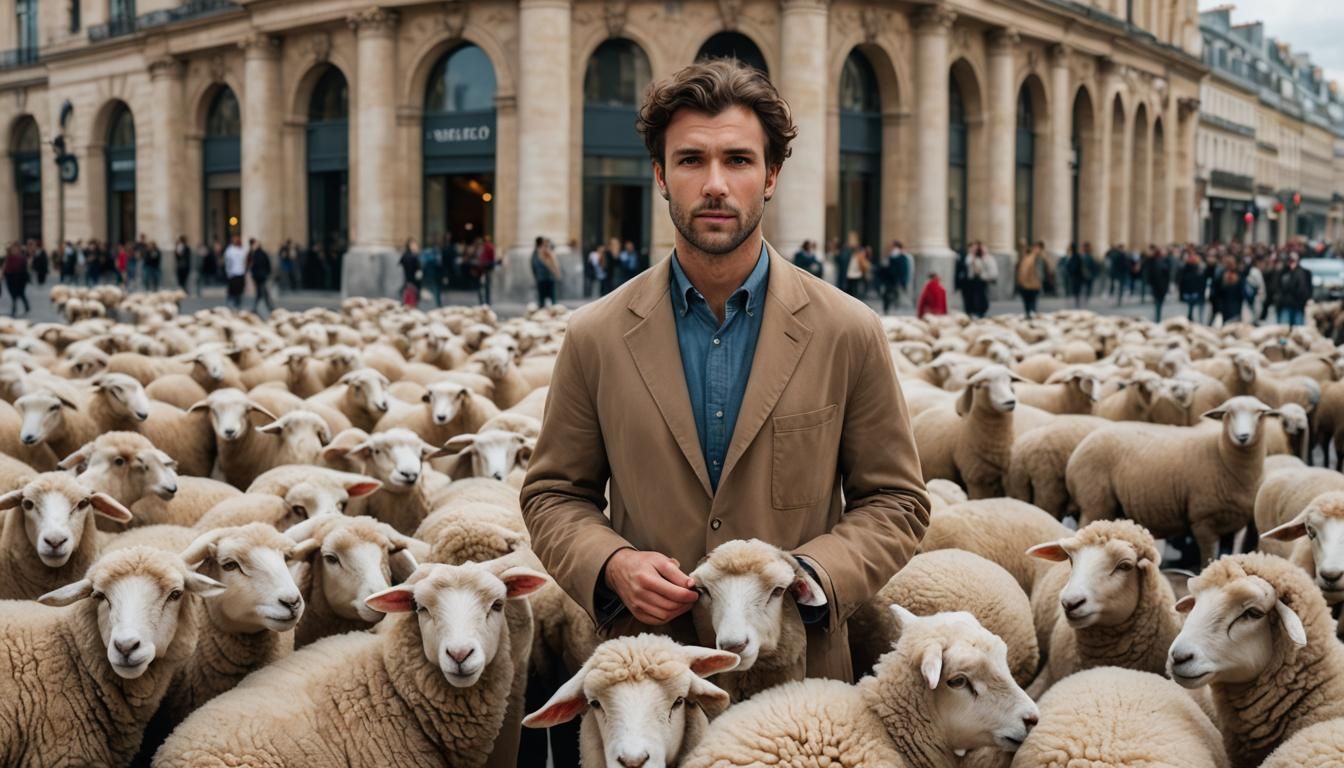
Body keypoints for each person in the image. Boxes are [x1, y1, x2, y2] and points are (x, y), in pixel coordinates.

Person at [521, 59, 930, 684]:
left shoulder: (847, 329)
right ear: (660, 175)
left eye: (737, 160)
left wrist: (813, 575)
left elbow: (896, 499)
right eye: (691, 160)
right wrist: (612, 564)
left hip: (798, 687)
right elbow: (555, 494)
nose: (715, 184)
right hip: (652, 687)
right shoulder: (595, 336)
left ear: (770, 176)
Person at [1277, 253, 1312, 327]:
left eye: (1294, 260)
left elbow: (1306, 288)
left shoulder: (1304, 273)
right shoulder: (1283, 272)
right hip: (1285, 304)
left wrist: (1307, 299)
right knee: (1284, 328)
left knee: (1298, 329)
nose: (1292, 262)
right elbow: (1279, 287)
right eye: (1290, 260)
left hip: (1299, 305)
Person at [965, 241, 996, 318]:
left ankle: (981, 311)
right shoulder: (972, 257)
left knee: (982, 296)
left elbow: (990, 268)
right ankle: (975, 311)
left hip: (983, 279)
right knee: (974, 297)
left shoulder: (987, 258)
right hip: (974, 280)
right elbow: (968, 263)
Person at [1015, 242, 1045, 318]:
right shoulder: (1028, 257)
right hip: (1027, 284)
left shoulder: (1036, 258)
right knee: (1028, 303)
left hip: (1032, 285)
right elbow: (1022, 271)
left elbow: (1039, 273)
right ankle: (1029, 316)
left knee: (1031, 304)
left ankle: (1030, 316)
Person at [531, 236, 560, 307]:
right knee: (542, 300)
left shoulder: (549, 254)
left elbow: (555, 266)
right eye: (545, 245)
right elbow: (534, 266)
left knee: (552, 300)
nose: (546, 247)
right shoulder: (537, 254)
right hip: (542, 279)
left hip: (549, 279)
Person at [1178, 249, 1205, 322]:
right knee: (1189, 309)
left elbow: (1200, 282)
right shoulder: (1185, 268)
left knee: (1193, 308)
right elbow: (1182, 281)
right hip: (1188, 291)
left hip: (1195, 292)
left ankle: (1191, 319)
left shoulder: (1199, 268)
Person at [249, 240, 274, 315]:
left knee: (262, 292)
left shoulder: (255, 255)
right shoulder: (263, 254)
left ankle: (265, 307)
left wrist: (253, 275)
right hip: (262, 276)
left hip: (259, 276)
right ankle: (266, 307)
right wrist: (267, 273)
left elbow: (254, 266)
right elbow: (268, 265)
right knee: (261, 292)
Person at [1147, 247, 1172, 323]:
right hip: (1160, 287)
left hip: (1157, 287)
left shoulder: (1154, 263)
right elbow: (1167, 277)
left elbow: (1150, 276)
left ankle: (1157, 318)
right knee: (1159, 304)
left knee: (1157, 304)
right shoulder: (1163, 263)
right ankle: (1157, 318)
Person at [3, 242, 28, 316]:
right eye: (12, 249)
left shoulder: (21, 258)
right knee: (16, 294)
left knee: (17, 295)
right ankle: (26, 306)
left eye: (15, 249)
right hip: (10, 278)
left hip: (18, 279)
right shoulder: (9, 257)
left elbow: (23, 269)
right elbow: (6, 267)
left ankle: (14, 309)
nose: (14, 250)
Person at [223, 235, 247, 309]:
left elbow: (244, 261)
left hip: (239, 272)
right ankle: (232, 303)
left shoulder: (241, 250)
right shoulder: (230, 250)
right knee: (233, 289)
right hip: (233, 273)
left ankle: (237, 303)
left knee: (238, 289)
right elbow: (228, 262)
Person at [889, 241, 911, 310]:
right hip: (899, 278)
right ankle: (898, 303)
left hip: (899, 278)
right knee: (898, 291)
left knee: (900, 291)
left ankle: (902, 304)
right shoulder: (904, 256)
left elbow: (902, 269)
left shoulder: (901, 257)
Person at [475, 235, 495, 305]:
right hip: (486, 269)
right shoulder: (490, 247)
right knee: (486, 287)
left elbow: (482, 260)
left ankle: (483, 301)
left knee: (482, 287)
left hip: (483, 269)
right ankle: (487, 301)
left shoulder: (485, 248)